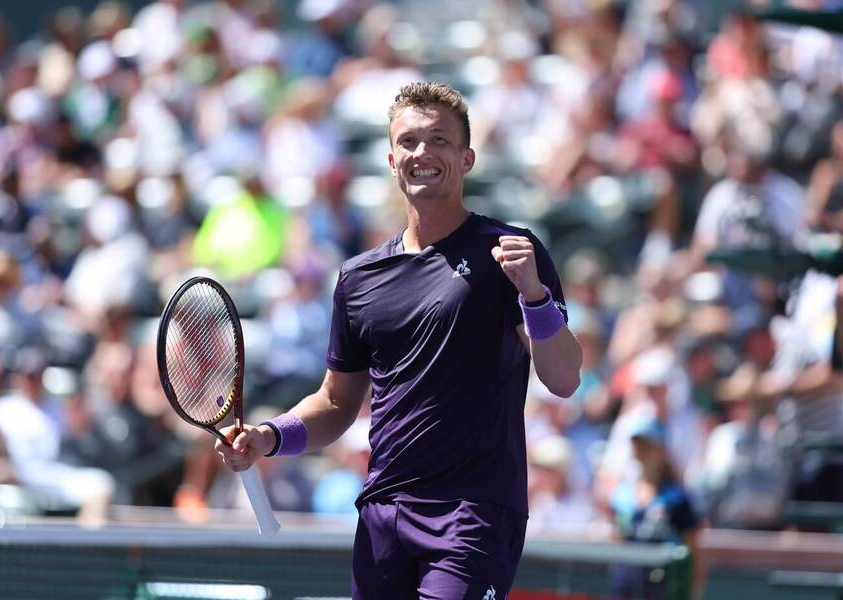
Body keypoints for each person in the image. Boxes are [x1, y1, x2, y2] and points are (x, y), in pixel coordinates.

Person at [216, 82, 583, 599]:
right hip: (383, 515)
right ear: (391, 160)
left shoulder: (510, 253)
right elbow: (336, 402)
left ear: (467, 157)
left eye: (439, 140)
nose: (423, 153)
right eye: (409, 142)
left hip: (472, 511)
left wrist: (536, 297)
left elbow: (564, 379)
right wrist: (268, 437)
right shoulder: (358, 277)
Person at [607, 417, 705, 600]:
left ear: (662, 450)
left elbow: (694, 549)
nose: (642, 452)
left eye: (648, 445)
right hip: (625, 585)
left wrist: (694, 590)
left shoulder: (678, 498)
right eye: (638, 445)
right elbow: (616, 541)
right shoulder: (621, 495)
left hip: (664, 586)